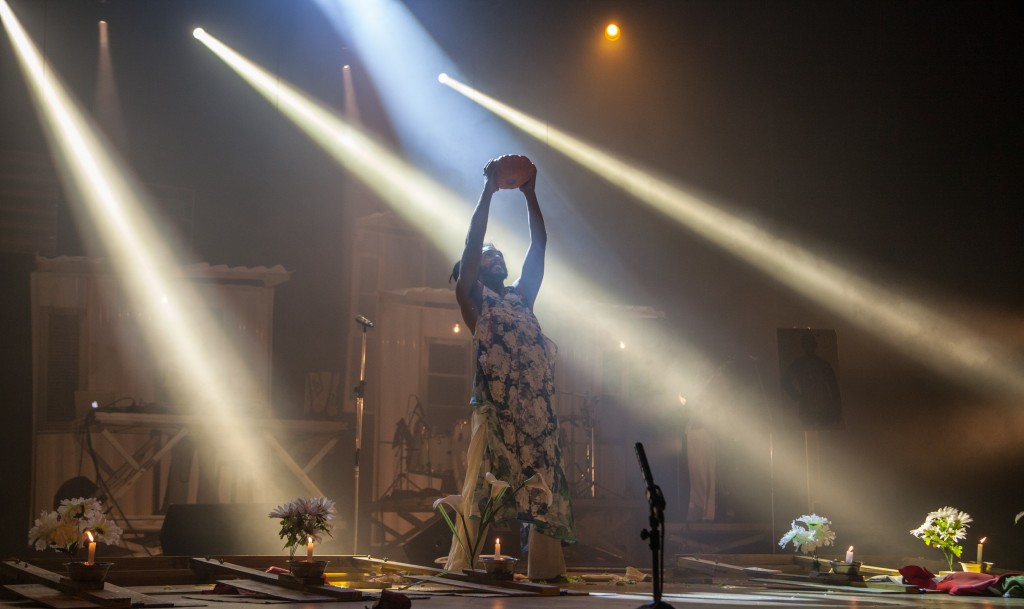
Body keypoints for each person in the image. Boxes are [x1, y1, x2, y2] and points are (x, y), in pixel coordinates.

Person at [444, 158, 575, 580]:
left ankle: (545, 571)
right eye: (488, 257)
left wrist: (530, 192)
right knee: (484, 488)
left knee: (541, 487)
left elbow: (539, 246)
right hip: (497, 410)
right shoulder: (474, 299)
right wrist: (488, 191)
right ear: (473, 270)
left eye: (499, 254)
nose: (495, 257)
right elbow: (471, 244)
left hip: (535, 411)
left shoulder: (520, 299)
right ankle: (463, 564)